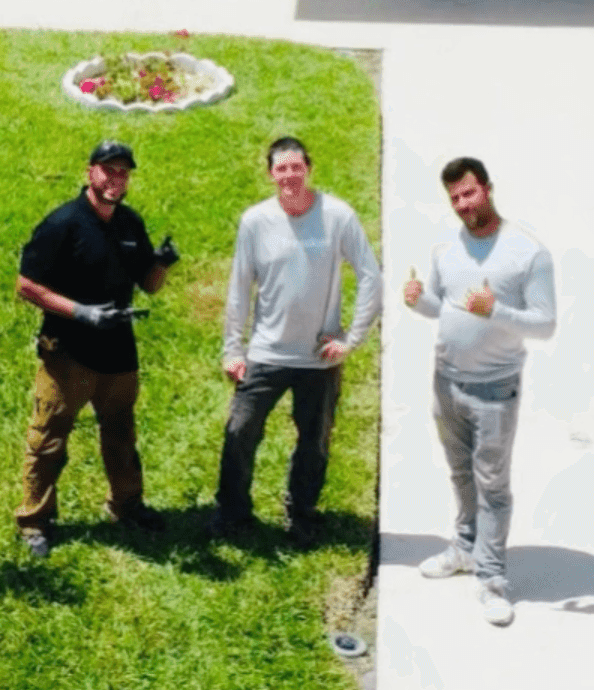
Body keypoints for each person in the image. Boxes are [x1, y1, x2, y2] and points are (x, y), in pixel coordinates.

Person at [402, 155, 556, 627]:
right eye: (454, 198)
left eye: (469, 193)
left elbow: (546, 324)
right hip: (446, 381)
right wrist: (420, 302)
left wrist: (497, 313)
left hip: (494, 390)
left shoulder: (527, 252)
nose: (463, 204)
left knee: (493, 486)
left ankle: (492, 579)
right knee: (460, 474)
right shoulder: (446, 249)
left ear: (487, 188)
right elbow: (444, 307)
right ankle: (465, 548)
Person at [212, 135, 381, 544]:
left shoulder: (337, 216)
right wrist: (233, 349)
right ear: (271, 174)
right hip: (266, 353)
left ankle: (301, 512)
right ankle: (233, 512)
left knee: (315, 442)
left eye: (296, 167)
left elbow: (372, 276)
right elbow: (239, 288)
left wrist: (351, 339)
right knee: (240, 431)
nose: (289, 176)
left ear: (308, 168)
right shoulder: (255, 221)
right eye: (281, 168)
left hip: (318, 358)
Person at [13, 139, 178, 559]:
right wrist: (80, 313)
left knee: (121, 432)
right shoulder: (63, 224)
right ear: (91, 172)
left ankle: (126, 506)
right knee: (49, 438)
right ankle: (34, 520)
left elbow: (149, 285)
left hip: (119, 352)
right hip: (68, 354)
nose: (115, 179)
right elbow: (26, 286)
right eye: (108, 170)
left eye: (123, 172)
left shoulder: (129, 224)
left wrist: (161, 263)